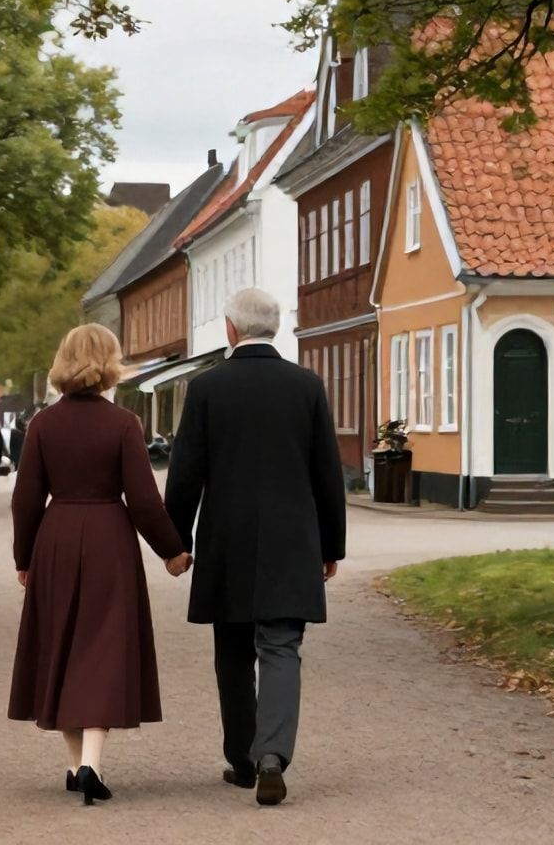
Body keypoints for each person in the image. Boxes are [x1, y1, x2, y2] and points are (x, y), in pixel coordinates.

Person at [164, 287, 347, 807]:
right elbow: (327, 473)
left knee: (233, 652)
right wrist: (330, 545)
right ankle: (273, 756)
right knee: (282, 648)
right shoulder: (307, 386)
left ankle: (243, 760)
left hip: (228, 540)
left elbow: (186, 473)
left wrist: (174, 542)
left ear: (230, 328)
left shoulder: (207, 389)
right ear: (277, 328)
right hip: (293, 541)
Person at [9, 324, 189, 806]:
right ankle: (88, 763)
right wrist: (172, 551)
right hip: (110, 539)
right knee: (104, 649)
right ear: (110, 363)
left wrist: (25, 557)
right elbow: (145, 501)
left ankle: (76, 766)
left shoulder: (43, 425)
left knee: (61, 646)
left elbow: (25, 500)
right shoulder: (124, 424)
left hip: (57, 537)